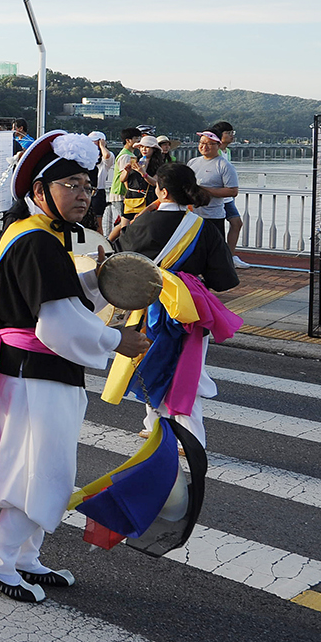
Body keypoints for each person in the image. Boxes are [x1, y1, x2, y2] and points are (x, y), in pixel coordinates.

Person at [0, 131, 148, 603]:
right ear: (40, 192)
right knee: (39, 469)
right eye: (71, 184)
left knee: (44, 466)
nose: (84, 194)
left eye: (87, 184)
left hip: (35, 370)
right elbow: (58, 322)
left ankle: (24, 556)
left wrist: (98, 281)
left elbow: (54, 296)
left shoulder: (40, 237)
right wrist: (116, 339)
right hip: (33, 372)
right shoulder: (38, 242)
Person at [114, 162, 240, 447]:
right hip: (189, 309)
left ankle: (154, 424)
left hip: (148, 305)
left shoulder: (144, 222)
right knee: (188, 369)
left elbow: (121, 262)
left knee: (148, 362)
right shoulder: (202, 227)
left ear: (161, 190)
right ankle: (190, 436)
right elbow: (223, 278)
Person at [209, 122, 251, 268]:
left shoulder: (227, 152)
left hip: (227, 197)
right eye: (229, 133)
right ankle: (222, 258)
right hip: (217, 197)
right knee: (219, 228)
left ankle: (229, 256)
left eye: (233, 133)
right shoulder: (215, 152)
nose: (232, 136)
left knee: (236, 223)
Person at [187, 131, 240, 243]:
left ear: (219, 145)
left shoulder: (224, 165)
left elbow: (233, 191)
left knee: (213, 253)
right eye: (202, 142)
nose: (204, 146)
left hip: (213, 217)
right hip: (193, 215)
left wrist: (202, 189)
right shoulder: (193, 162)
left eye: (209, 144)